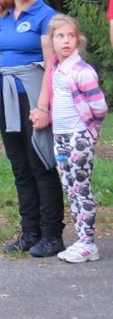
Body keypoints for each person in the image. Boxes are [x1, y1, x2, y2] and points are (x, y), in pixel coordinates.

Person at [0, 0, 64, 257]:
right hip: (7, 98)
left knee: (41, 164)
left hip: (34, 97)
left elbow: (51, 64)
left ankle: (52, 235)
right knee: (20, 167)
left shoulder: (46, 15)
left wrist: (43, 108)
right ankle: (30, 232)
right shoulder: (4, 17)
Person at [45, 14, 107, 263]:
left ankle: (88, 243)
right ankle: (81, 239)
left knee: (81, 189)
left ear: (78, 39)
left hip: (79, 136)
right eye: (60, 36)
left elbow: (99, 107)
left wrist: (89, 131)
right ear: (51, 40)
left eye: (71, 36)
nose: (66, 41)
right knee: (70, 189)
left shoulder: (82, 71)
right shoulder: (56, 69)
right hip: (60, 137)